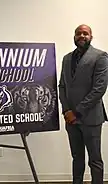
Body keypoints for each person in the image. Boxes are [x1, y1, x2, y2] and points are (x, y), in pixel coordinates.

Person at [59, 24, 108, 184]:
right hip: (71, 120)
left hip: (91, 118)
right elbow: (62, 86)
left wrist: (76, 112)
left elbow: (99, 89)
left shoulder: (100, 57)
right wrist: (66, 110)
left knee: (95, 160)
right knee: (77, 159)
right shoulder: (66, 59)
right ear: (74, 37)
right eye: (78, 33)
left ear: (91, 37)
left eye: (85, 33)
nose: (82, 36)